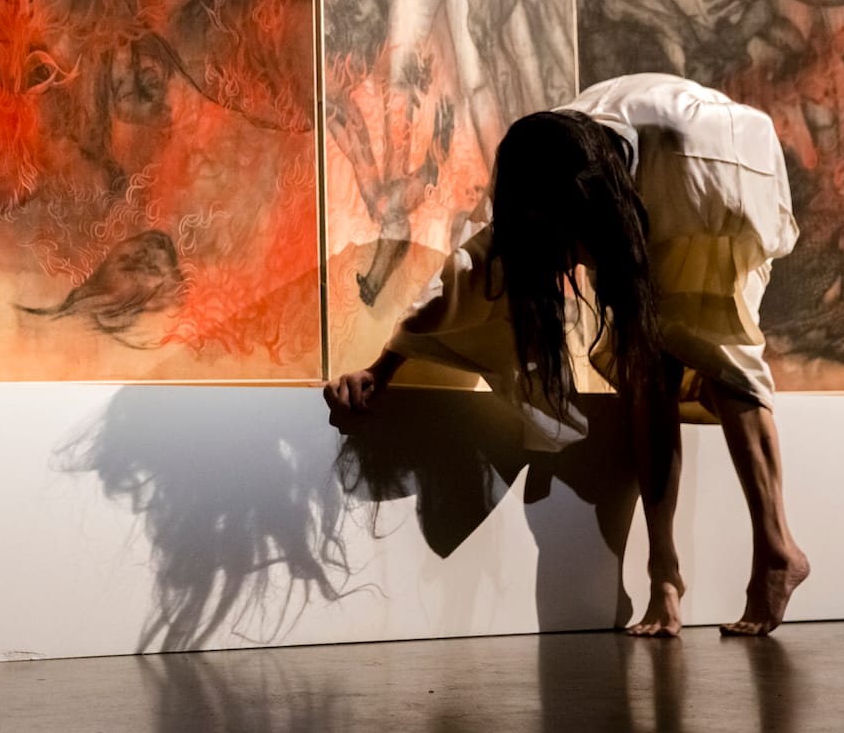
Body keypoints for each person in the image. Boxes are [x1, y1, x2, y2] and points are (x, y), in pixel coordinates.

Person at [324, 73, 811, 637]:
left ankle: (777, 549)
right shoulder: (539, 173)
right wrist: (382, 367)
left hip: (719, 168)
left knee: (716, 348)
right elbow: (467, 272)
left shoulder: (688, 170)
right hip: (630, 183)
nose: (563, 264)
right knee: (646, 371)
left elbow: (736, 351)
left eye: (569, 246)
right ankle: (665, 582)